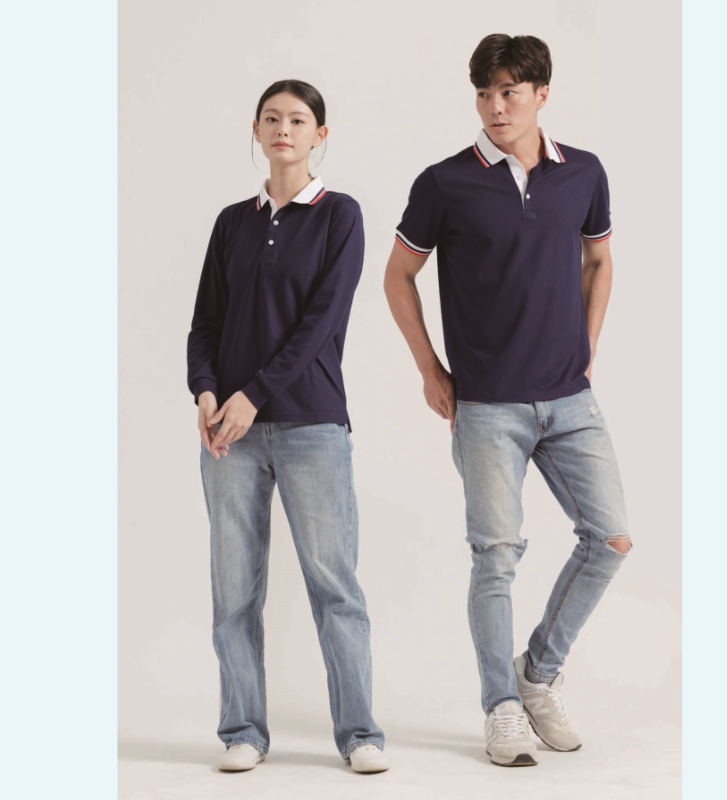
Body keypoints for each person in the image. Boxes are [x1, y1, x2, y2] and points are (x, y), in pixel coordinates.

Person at [384, 34, 631, 767]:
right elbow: (398, 276)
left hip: (570, 400)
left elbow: (599, 259)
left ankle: (538, 674)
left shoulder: (583, 172)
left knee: (611, 538)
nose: (495, 106)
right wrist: (430, 369)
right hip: (487, 405)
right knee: (495, 559)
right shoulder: (443, 183)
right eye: (485, 93)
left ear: (541, 94)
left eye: (510, 92)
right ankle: (501, 707)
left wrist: (587, 346)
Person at [186, 79, 387, 774]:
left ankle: (360, 734)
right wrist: (207, 391)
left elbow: (320, 323)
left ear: (319, 134)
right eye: (271, 118)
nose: (283, 129)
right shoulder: (232, 223)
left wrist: (254, 393)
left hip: (312, 426)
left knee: (335, 586)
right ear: (255, 129)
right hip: (228, 434)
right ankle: (243, 730)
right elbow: (205, 322)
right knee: (233, 591)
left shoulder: (340, 216)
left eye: (298, 120)